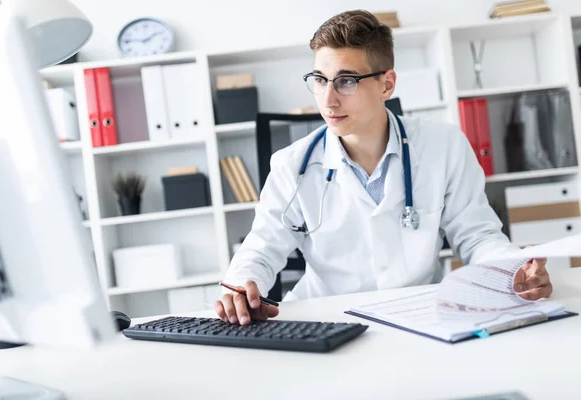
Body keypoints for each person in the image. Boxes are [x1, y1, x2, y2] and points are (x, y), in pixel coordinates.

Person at [214, 10, 553, 325]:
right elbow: (261, 247)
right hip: (327, 319)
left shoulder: (444, 146)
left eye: (346, 81)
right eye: (320, 79)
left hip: (419, 316)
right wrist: (242, 289)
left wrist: (511, 269)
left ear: (387, 85)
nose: (328, 100)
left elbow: (478, 236)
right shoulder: (292, 165)